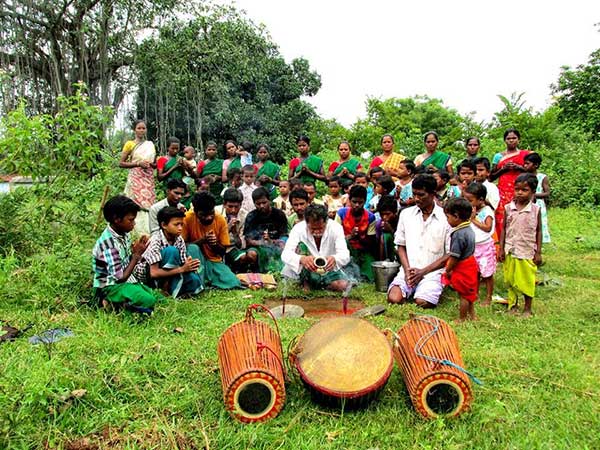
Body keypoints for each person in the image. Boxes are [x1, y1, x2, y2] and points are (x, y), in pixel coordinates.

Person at [387, 174, 450, 308]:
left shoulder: (446, 218)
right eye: (414, 194)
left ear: (433, 194)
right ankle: (413, 287)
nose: (416, 199)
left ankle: (432, 289)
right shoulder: (406, 214)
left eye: (421, 195)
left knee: (422, 302)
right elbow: (400, 245)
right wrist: (407, 270)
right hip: (409, 270)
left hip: (433, 272)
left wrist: (423, 272)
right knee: (394, 298)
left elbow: (449, 254)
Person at [92, 195, 159, 311]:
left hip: (126, 280)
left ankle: (123, 305)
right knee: (148, 300)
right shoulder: (108, 244)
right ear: (117, 219)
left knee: (156, 296)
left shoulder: (124, 234)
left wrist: (139, 251)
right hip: (110, 287)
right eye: (131, 220)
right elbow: (120, 278)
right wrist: (136, 256)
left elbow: (125, 261)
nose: (134, 224)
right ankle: (109, 303)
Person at [134, 206, 203, 298]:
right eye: (176, 224)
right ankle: (164, 289)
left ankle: (174, 289)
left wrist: (189, 265)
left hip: (171, 271)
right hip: (149, 276)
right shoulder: (155, 240)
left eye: (182, 224)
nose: (180, 228)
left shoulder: (179, 239)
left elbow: (182, 263)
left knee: (194, 279)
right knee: (171, 251)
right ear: (164, 225)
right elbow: (153, 273)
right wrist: (182, 269)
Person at [499, 174, 542, 317]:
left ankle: (528, 308)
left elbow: (539, 230)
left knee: (526, 279)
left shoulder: (536, 210)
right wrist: (501, 248)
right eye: (517, 189)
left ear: (533, 191)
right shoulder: (508, 208)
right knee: (510, 279)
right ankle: (513, 305)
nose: (520, 193)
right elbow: (504, 228)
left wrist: (538, 252)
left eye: (524, 190)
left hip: (526, 250)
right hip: (510, 249)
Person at [282, 204, 350, 292]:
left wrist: (334, 259)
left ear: (326, 222)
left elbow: (345, 254)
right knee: (291, 284)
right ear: (306, 223)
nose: (317, 232)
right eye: (313, 228)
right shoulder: (298, 229)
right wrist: (302, 259)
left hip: (328, 270)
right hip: (304, 269)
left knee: (343, 286)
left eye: (321, 228)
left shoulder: (336, 228)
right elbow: (285, 254)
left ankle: (314, 284)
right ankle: (307, 282)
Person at [182, 192, 241, 289]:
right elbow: (182, 246)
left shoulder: (220, 220)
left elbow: (222, 251)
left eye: (211, 213)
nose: (209, 217)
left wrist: (214, 244)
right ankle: (200, 283)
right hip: (194, 261)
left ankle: (206, 281)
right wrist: (202, 241)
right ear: (196, 212)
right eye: (204, 215)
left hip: (213, 261)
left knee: (233, 283)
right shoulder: (187, 218)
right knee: (193, 247)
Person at [442, 198, 479, 321]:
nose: (447, 220)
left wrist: (448, 269)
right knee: (470, 293)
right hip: (471, 263)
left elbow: (454, 256)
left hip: (462, 266)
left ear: (456, 216)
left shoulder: (458, 234)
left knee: (463, 295)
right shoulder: (469, 229)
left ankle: (462, 318)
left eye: (448, 217)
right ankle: (472, 315)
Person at [490, 128, 530, 238]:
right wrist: (503, 169)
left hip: (521, 188)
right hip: (503, 190)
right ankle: (502, 239)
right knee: (503, 214)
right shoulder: (498, 156)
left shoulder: (525, 155)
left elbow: (531, 172)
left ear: (519, 140)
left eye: (514, 138)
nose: (511, 140)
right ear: (504, 140)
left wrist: (519, 168)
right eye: (508, 138)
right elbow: (491, 177)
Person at [119, 120, 156, 234]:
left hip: (148, 179)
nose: (141, 130)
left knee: (148, 206)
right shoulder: (130, 144)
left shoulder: (150, 145)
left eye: (143, 128)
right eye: (139, 128)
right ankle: (133, 230)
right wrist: (138, 164)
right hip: (136, 178)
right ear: (134, 129)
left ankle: (148, 231)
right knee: (134, 204)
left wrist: (152, 164)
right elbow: (121, 163)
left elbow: (154, 164)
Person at [464, 182, 496, 305]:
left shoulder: (487, 211)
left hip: (484, 247)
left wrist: (473, 219)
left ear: (481, 199)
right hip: (473, 246)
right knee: (475, 272)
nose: (467, 202)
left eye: (470, 200)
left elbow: (488, 227)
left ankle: (488, 297)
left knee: (487, 274)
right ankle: (475, 294)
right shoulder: (471, 210)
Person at [336, 185, 376, 282]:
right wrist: (351, 236)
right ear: (349, 200)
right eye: (354, 202)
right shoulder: (341, 214)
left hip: (362, 251)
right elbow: (335, 238)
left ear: (365, 201)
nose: (357, 205)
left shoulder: (370, 217)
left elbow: (371, 242)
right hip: (344, 249)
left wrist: (360, 237)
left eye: (360, 202)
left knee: (370, 276)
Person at [244, 187, 289, 273]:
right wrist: (262, 243)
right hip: (258, 246)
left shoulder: (279, 214)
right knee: (251, 254)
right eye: (258, 204)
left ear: (269, 200)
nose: (262, 206)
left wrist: (272, 242)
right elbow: (248, 240)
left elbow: (284, 235)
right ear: (254, 203)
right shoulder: (251, 216)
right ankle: (256, 270)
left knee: (283, 246)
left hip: (276, 244)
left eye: (264, 202)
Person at [217, 188, 258, 272]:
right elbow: (214, 238)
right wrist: (227, 229)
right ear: (224, 204)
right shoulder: (216, 213)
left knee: (248, 256)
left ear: (240, 205)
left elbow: (241, 245)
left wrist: (235, 233)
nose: (233, 210)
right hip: (217, 247)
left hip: (233, 248)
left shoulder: (245, 215)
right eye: (230, 206)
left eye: (236, 207)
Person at [524, 152, 551, 243]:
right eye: (525, 163)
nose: (525, 165)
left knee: (539, 223)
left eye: (528, 163)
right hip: (525, 204)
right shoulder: (524, 177)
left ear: (536, 165)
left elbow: (547, 193)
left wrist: (534, 195)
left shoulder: (542, 177)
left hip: (538, 205)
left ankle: (539, 241)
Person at [376, 195, 399, 261]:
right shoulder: (379, 224)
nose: (384, 217)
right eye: (382, 214)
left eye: (387, 214)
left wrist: (391, 230)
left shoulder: (401, 221)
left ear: (395, 212)